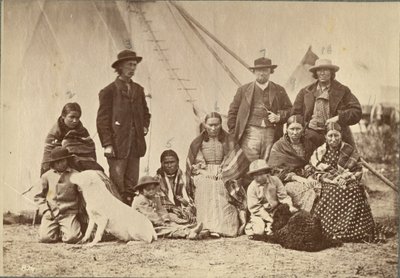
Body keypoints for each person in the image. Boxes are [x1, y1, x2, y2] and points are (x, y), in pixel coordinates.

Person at [310, 122, 393, 242]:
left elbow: (358, 169)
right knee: (333, 191)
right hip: (328, 181)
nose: (333, 139)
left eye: (336, 135)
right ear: (325, 137)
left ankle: (352, 229)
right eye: (330, 136)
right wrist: (334, 179)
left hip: (348, 179)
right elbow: (314, 170)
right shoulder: (319, 152)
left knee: (354, 189)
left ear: (341, 135)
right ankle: (331, 229)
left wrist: (346, 178)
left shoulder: (349, 150)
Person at [97, 50, 151, 205]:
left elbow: (146, 113)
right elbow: (102, 120)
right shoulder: (108, 91)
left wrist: (144, 127)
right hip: (117, 146)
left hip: (136, 145)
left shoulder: (139, 90)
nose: (133, 68)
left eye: (135, 65)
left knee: (132, 184)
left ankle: (131, 217)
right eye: (129, 65)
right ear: (120, 66)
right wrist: (107, 144)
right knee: (117, 183)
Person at [186, 112, 243, 237]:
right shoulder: (197, 142)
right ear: (205, 125)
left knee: (222, 185)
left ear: (220, 124)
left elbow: (232, 159)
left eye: (216, 125)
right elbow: (195, 163)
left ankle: (225, 228)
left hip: (225, 171)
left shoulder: (229, 140)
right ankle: (207, 227)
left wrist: (224, 172)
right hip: (204, 172)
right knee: (205, 185)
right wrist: (205, 172)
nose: (213, 128)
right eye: (210, 125)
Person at [227, 57, 292, 162]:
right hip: (250, 132)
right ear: (253, 72)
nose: (262, 73)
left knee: (268, 163)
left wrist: (279, 117)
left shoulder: (279, 90)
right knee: (249, 163)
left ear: (270, 72)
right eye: (259, 70)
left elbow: (290, 109)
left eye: (265, 70)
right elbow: (232, 112)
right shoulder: (243, 90)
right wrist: (234, 132)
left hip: (272, 132)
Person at [292, 58, 362, 154]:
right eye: (319, 70)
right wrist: (305, 126)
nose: (322, 73)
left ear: (331, 72)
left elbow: (356, 111)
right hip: (312, 135)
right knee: (308, 162)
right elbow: (295, 114)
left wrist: (338, 118)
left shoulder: (342, 90)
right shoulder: (305, 92)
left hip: (337, 135)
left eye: (326, 70)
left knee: (347, 164)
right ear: (315, 73)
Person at [268, 115, 319, 212]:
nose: (295, 132)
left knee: (321, 189)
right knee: (308, 192)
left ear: (303, 129)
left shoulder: (308, 144)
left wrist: (309, 175)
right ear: (286, 129)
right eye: (292, 129)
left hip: (308, 177)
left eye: (298, 129)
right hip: (286, 182)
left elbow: (314, 163)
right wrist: (296, 177)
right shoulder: (279, 146)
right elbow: (274, 171)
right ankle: (306, 219)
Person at [34, 147, 82, 243]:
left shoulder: (76, 175)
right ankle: (56, 231)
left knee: (73, 238)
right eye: (57, 162)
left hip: (69, 214)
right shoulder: (46, 176)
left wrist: (79, 211)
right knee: (45, 238)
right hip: (51, 214)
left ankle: (66, 230)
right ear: (53, 163)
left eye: (63, 160)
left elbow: (82, 195)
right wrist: (45, 211)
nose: (60, 163)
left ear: (67, 160)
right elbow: (38, 197)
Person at [41, 102, 103, 176]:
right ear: (63, 116)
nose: (75, 120)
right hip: (62, 169)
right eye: (72, 117)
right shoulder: (55, 133)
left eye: (77, 118)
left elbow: (90, 151)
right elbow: (48, 156)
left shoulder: (82, 131)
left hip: (83, 166)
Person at [132, 176, 203, 240]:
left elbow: (161, 210)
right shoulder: (140, 200)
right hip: (143, 225)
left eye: (153, 189)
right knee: (162, 230)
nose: (151, 191)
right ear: (141, 191)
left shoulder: (155, 197)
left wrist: (166, 220)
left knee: (171, 220)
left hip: (154, 221)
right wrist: (162, 222)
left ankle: (190, 229)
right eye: (148, 190)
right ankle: (187, 233)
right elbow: (150, 215)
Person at [245, 159, 297, 240]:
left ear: (267, 173)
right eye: (255, 175)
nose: (258, 178)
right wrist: (269, 219)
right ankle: (251, 225)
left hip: (274, 211)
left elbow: (283, 197)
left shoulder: (275, 180)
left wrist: (290, 206)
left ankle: (269, 227)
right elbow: (255, 208)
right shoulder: (252, 188)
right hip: (259, 213)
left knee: (284, 227)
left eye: (261, 174)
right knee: (259, 232)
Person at [155, 149, 195, 224]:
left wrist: (189, 208)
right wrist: (172, 209)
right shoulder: (156, 181)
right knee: (171, 218)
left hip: (185, 210)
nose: (169, 166)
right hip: (167, 212)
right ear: (162, 164)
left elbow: (193, 197)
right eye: (166, 163)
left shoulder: (186, 178)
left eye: (172, 162)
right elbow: (157, 204)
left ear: (177, 163)